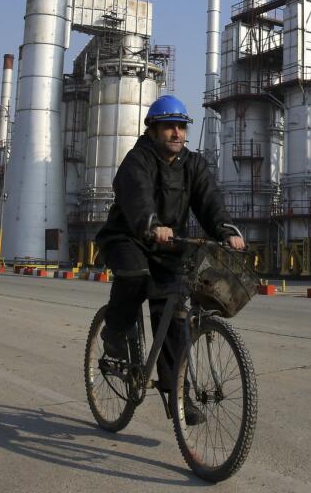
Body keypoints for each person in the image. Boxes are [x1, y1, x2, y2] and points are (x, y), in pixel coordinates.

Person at [95, 94, 245, 426]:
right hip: (128, 236)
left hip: (169, 245)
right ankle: (115, 335)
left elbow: (209, 199)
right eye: (169, 127)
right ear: (152, 130)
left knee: (175, 316)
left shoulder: (193, 164)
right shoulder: (139, 159)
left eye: (181, 127)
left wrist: (225, 229)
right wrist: (150, 223)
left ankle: (179, 395)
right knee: (134, 275)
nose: (176, 133)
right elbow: (137, 194)